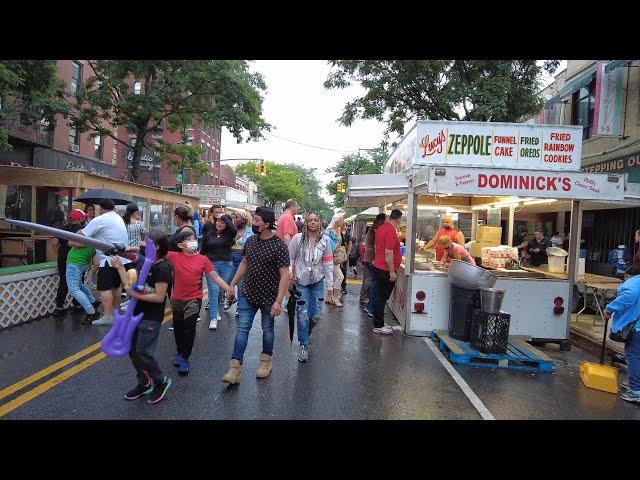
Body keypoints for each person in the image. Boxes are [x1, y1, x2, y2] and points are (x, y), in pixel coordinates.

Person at [221, 207, 290, 384]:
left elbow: (284, 275)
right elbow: (244, 263)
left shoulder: (279, 245)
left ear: (267, 224)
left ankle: (266, 362)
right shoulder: (250, 241)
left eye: (257, 220)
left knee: (267, 330)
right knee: (242, 329)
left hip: (269, 297)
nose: (254, 223)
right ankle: (235, 369)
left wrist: (278, 301)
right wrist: (232, 284)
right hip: (248, 293)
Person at [111, 231, 173, 404]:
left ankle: (161, 381)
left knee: (144, 352)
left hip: (151, 317)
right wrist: (119, 267)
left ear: (157, 246)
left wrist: (135, 295)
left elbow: (159, 297)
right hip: (134, 314)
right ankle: (144, 383)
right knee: (132, 351)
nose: (141, 244)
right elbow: (129, 286)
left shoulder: (162, 268)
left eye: (145, 241)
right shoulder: (143, 262)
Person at [166, 230, 231, 376]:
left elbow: (215, 277)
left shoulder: (203, 260)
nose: (193, 241)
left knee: (189, 329)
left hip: (194, 299)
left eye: (193, 238)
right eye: (189, 239)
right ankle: (179, 352)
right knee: (178, 328)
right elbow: (155, 253)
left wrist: (228, 289)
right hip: (176, 299)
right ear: (181, 244)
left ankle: (184, 358)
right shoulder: (173, 256)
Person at [76, 198, 130, 326]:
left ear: (100, 208)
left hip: (108, 260)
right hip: (120, 259)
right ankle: (115, 314)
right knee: (116, 287)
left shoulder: (100, 219)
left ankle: (107, 315)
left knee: (105, 289)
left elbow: (81, 234)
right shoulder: (118, 217)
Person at [289, 212, 333, 363]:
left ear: (320, 222)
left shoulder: (325, 241)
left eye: (316, 220)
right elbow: (290, 258)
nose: (313, 223)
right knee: (302, 314)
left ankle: (305, 334)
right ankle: (303, 345)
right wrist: (291, 274)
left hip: (317, 282)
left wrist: (330, 287)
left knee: (315, 315)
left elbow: (328, 263)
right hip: (301, 281)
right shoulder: (297, 239)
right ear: (306, 223)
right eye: (310, 220)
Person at [603, 266, 640, 403]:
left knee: (634, 356)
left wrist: (609, 309)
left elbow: (627, 298)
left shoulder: (633, 284)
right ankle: (635, 385)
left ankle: (635, 391)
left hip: (636, 329)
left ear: (628, 275)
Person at [200, 213, 237, 330]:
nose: (219, 224)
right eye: (217, 221)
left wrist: (224, 216)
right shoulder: (209, 233)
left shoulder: (230, 234)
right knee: (214, 290)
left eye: (222, 222)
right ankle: (213, 318)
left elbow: (234, 228)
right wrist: (200, 265)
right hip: (211, 264)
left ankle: (216, 310)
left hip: (227, 264)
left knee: (221, 289)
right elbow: (203, 250)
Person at [65, 210, 101, 324]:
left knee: (73, 289)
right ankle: (93, 301)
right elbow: (96, 261)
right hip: (82, 265)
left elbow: (70, 242)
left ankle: (91, 311)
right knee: (79, 285)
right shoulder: (95, 241)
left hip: (74, 264)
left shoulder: (85, 237)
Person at [372, 209, 403, 335]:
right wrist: (392, 272)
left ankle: (379, 322)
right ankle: (378, 325)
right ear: (398, 219)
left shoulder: (381, 228)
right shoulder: (390, 230)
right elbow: (389, 253)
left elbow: (377, 247)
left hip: (379, 266)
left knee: (380, 296)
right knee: (381, 297)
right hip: (384, 269)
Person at [51, 209, 84, 317]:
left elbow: (54, 243)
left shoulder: (62, 229)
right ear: (80, 218)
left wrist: (59, 255)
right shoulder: (82, 229)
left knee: (63, 282)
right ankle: (77, 306)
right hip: (76, 260)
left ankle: (59, 308)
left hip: (63, 259)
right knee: (78, 283)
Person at [229, 210, 254, 317]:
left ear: (243, 220)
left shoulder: (250, 231)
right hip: (230, 258)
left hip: (242, 259)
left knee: (240, 285)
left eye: (237, 218)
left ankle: (239, 308)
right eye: (233, 217)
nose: (234, 220)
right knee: (228, 282)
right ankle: (230, 298)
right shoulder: (231, 230)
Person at [361, 214, 386, 316]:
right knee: (373, 283)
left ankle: (367, 303)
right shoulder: (376, 229)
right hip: (372, 259)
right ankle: (369, 304)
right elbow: (377, 245)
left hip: (369, 258)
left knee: (370, 281)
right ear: (381, 221)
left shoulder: (373, 228)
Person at [326, 212, 346, 307]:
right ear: (336, 220)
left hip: (336, 258)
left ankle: (329, 297)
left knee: (333, 277)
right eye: (341, 219)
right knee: (340, 277)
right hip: (330, 258)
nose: (343, 221)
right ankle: (335, 297)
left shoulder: (338, 230)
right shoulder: (328, 231)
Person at [340, 225, 353, 295]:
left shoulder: (347, 234)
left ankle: (343, 286)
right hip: (336, 256)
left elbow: (350, 244)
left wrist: (347, 255)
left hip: (344, 256)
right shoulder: (335, 232)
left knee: (343, 271)